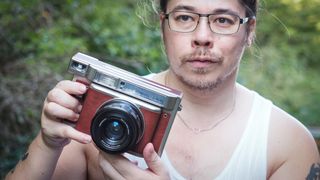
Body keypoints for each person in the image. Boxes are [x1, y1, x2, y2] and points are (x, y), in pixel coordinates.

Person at [6, 0, 320, 179]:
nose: (202, 37)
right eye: (184, 17)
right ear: (163, 25)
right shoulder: (104, 112)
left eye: (223, 20)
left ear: (249, 31)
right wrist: (48, 143)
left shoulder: (286, 144)